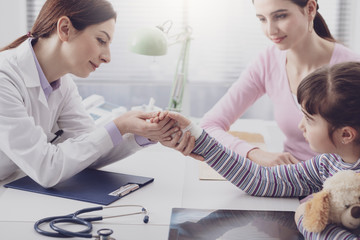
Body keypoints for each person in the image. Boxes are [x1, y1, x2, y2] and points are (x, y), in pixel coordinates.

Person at [155, 61, 360, 239]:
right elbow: (263, 180)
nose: (301, 126)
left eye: (309, 119)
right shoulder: (327, 163)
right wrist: (198, 139)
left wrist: (306, 221)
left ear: (345, 135)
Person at [0, 0, 178, 188]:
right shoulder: (4, 78)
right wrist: (119, 125)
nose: (107, 57)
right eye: (101, 40)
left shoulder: (63, 84)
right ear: (65, 29)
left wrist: (140, 132)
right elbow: (47, 168)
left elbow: (90, 153)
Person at [200, 0, 360, 166]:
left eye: (281, 16)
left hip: (342, 184)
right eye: (262, 19)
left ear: (310, 9)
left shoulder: (353, 69)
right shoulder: (267, 62)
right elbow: (209, 125)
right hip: (287, 182)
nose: (270, 30)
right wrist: (253, 153)